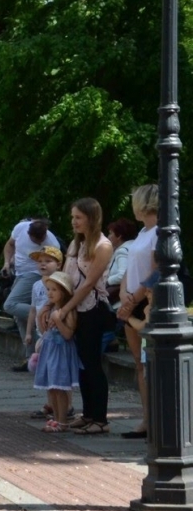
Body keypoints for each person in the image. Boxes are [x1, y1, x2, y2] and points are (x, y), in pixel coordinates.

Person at [57, 198, 113, 434]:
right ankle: (87, 412)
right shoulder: (76, 244)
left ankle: (100, 419)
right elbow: (67, 276)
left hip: (92, 309)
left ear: (91, 218)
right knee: (81, 365)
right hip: (75, 307)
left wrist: (66, 308)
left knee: (92, 363)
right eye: (73, 217)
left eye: (78, 217)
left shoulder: (103, 246)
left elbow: (89, 284)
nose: (74, 222)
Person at [118, 185, 160, 440]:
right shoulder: (144, 231)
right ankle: (146, 418)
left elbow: (155, 271)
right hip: (131, 302)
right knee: (139, 365)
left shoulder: (159, 233)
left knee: (150, 364)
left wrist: (134, 298)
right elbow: (130, 269)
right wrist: (124, 293)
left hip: (144, 304)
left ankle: (154, 419)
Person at [1, 216, 63, 370]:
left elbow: (56, 263)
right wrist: (7, 263)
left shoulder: (52, 242)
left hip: (35, 274)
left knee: (10, 305)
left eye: (40, 240)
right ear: (28, 233)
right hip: (20, 273)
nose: (38, 243)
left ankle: (41, 313)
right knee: (18, 315)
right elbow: (9, 245)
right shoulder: (20, 229)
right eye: (35, 240)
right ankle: (32, 356)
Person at [32, 270, 81, 434]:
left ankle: (62, 420)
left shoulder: (66, 312)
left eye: (54, 290)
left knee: (60, 386)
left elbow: (68, 334)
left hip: (61, 351)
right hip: (50, 348)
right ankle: (56, 416)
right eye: (48, 289)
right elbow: (45, 329)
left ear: (64, 292)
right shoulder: (50, 308)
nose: (50, 293)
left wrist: (58, 319)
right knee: (51, 387)